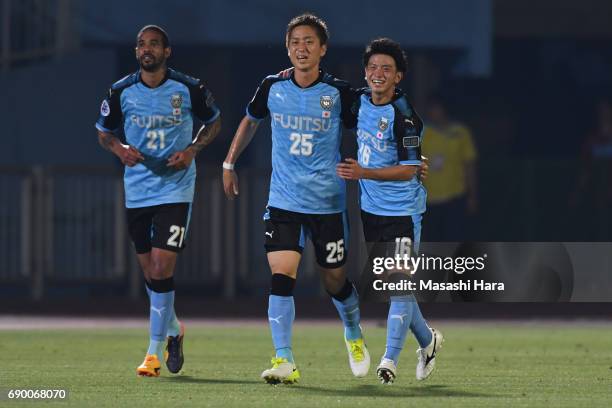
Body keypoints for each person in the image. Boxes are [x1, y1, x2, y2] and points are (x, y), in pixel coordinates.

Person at [222, 13, 369, 384]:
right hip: (284, 201)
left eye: (308, 42)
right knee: (281, 276)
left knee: (334, 280)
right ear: (287, 49)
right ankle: (284, 359)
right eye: (294, 42)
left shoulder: (339, 93)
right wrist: (229, 162)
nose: (301, 48)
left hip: (327, 204)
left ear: (323, 49)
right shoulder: (272, 86)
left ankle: (352, 331)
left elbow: (370, 124)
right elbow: (250, 119)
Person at [95, 25, 221, 377]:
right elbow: (104, 132)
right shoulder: (121, 91)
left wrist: (192, 150)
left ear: (167, 51)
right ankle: (174, 329)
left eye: (154, 44)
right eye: (141, 44)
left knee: (163, 267)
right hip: (138, 189)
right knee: (150, 272)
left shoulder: (189, 88)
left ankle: (151, 353)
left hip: (176, 188)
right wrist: (119, 149)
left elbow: (214, 121)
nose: (146, 49)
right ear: (137, 52)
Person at [336, 38, 443, 384]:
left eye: (387, 69)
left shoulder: (405, 117)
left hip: (403, 211)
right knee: (396, 285)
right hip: (371, 211)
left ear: (399, 77)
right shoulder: (359, 101)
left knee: (397, 285)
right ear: (365, 72)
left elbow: (410, 169)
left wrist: (363, 173)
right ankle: (428, 341)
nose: (378, 74)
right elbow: (328, 90)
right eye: (373, 67)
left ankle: (389, 360)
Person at [421, 95, 478, 242]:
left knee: (454, 240)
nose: (434, 112)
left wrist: (472, 194)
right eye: (431, 109)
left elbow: (469, 164)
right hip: (430, 200)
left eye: (437, 108)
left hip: (455, 197)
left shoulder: (460, 133)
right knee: (433, 241)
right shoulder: (422, 133)